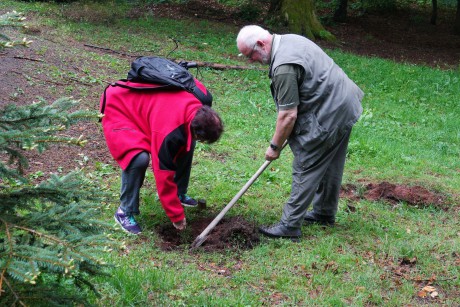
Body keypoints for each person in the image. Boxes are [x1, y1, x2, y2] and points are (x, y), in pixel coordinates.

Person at [236, 25, 364, 239]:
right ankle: (324, 213)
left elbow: (288, 115)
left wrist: (274, 147)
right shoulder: (289, 40)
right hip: (344, 103)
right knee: (330, 162)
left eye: (250, 56)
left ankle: (290, 225)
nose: (251, 61)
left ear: (260, 44)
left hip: (330, 110)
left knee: (307, 163)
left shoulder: (284, 66)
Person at [100, 78, 223, 235]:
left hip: (147, 109)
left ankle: (178, 193)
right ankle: (124, 211)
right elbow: (162, 172)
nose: (202, 142)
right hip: (120, 105)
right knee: (138, 158)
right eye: (203, 139)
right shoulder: (168, 131)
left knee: (188, 143)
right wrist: (176, 215)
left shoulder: (199, 102)